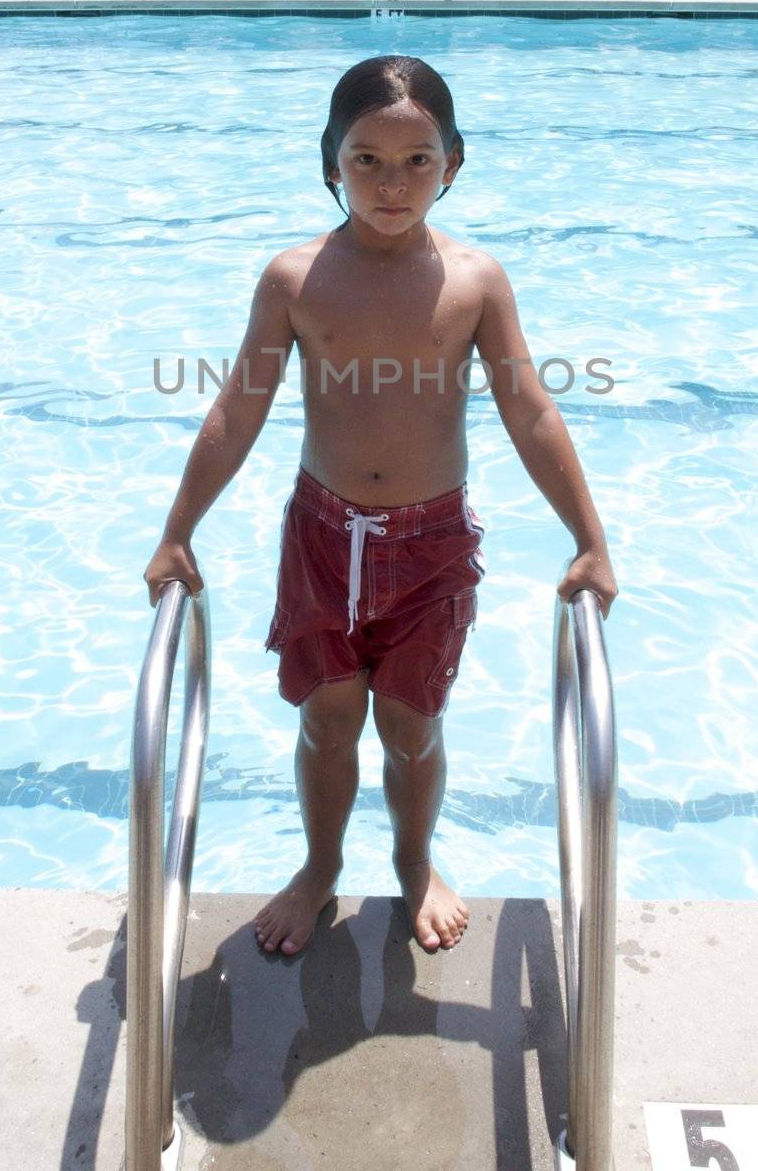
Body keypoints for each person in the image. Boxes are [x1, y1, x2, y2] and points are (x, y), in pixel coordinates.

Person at [144, 55, 617, 959]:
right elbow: (238, 406)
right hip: (321, 537)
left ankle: (412, 858)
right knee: (326, 722)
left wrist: (590, 541)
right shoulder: (294, 279)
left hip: (430, 544)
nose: (392, 183)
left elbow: (530, 408)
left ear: (454, 164)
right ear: (329, 162)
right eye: (367, 159)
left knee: (410, 727)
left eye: (417, 161)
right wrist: (177, 531)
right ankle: (321, 865)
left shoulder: (476, 282)